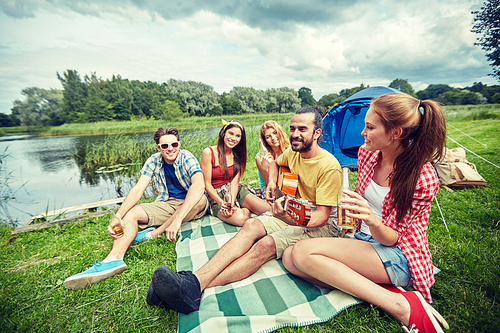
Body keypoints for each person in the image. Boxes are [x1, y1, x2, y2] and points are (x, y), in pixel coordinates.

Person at [145, 107, 342, 314]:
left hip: (322, 224)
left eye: (302, 129)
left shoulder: (329, 166)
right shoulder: (294, 152)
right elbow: (276, 163)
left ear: (317, 133)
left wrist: (289, 219)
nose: (294, 134)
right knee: (250, 225)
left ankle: (190, 289)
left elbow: (321, 217)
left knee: (264, 245)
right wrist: (272, 183)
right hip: (294, 212)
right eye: (292, 128)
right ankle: (191, 284)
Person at [281, 94, 448, 332]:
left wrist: (371, 218)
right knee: (290, 259)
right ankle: (375, 288)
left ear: (395, 133)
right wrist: (352, 218)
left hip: (399, 253)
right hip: (364, 240)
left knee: (302, 253)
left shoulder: (422, 177)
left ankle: (400, 305)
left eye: (369, 127)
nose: (362, 133)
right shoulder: (367, 154)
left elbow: (394, 238)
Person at [63, 127, 208, 290]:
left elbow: (198, 185)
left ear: (179, 144)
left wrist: (178, 220)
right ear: (158, 147)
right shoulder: (154, 160)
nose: (170, 149)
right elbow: (138, 189)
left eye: (173, 144)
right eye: (164, 146)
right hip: (167, 203)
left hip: (193, 202)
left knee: (200, 199)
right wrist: (118, 215)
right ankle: (113, 260)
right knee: (131, 214)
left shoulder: (186, 157)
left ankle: (153, 233)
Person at [200, 119, 269, 226]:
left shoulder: (238, 155)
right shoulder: (209, 152)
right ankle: (246, 210)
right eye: (231, 133)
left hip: (234, 191)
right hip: (216, 196)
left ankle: (244, 206)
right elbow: (207, 184)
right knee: (240, 219)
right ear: (223, 133)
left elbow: (234, 184)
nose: (233, 138)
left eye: (238, 136)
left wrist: (230, 204)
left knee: (268, 209)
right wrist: (222, 203)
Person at [255, 120, 290, 195]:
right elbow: (268, 186)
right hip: (269, 191)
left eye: (275, 133)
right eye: (268, 137)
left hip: (287, 188)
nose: (273, 138)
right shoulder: (260, 157)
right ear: (265, 141)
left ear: (280, 132)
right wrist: (266, 169)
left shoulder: (290, 151)